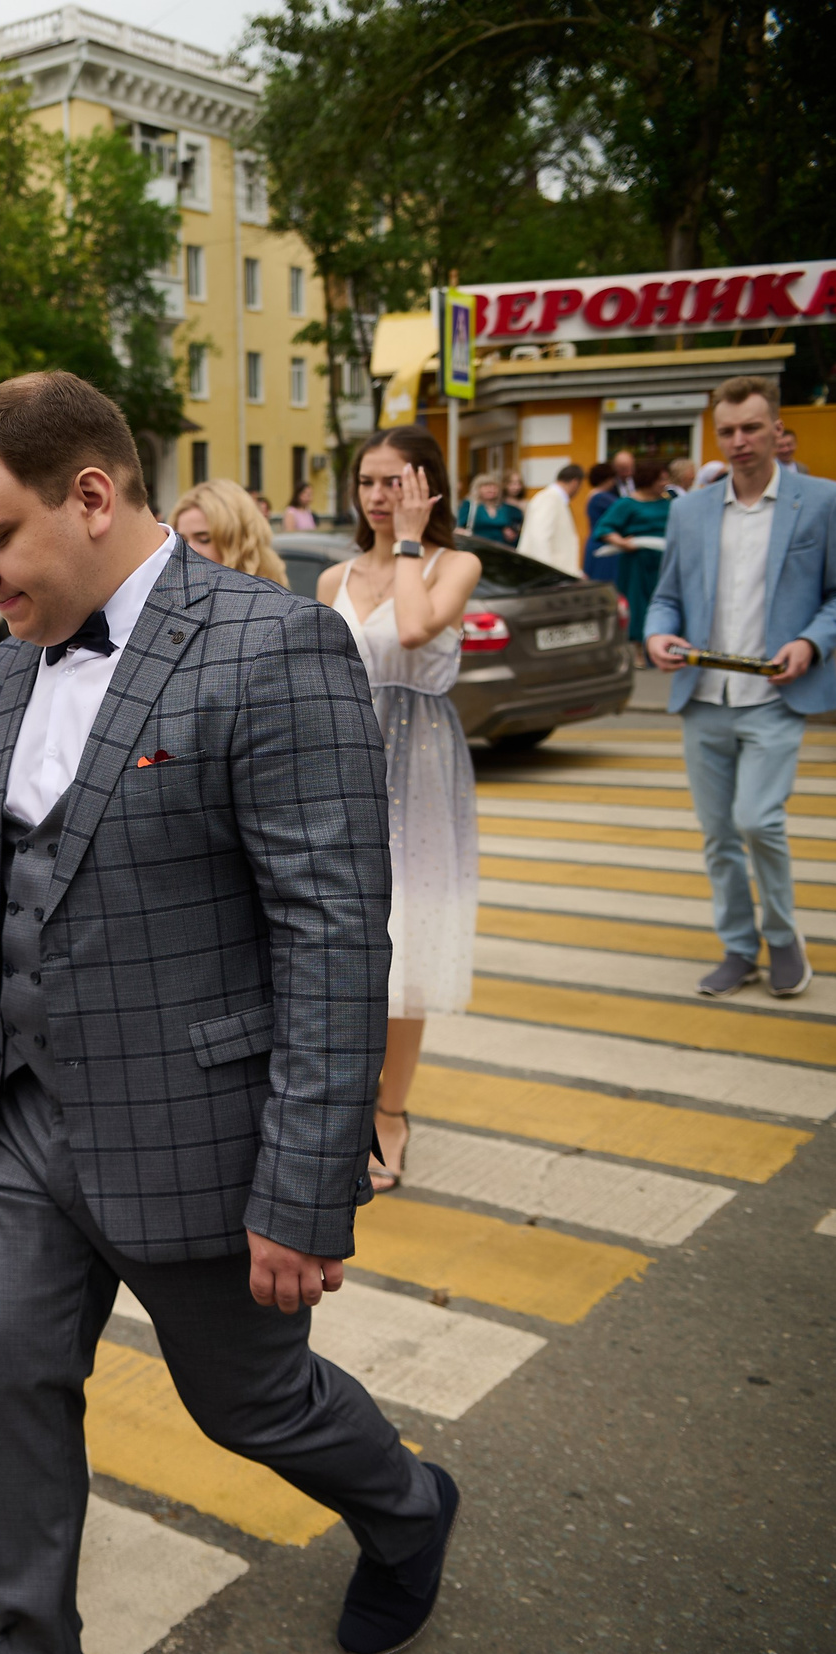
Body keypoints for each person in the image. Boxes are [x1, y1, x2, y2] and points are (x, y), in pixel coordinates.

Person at [0, 374, 456, 1654]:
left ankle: (407, 1503)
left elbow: (334, 934)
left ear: (92, 494)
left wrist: (306, 1188)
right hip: (22, 1111)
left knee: (251, 1402)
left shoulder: (273, 645)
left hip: (193, 1126)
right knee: (0, 1370)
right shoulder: (11, 664)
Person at [645, 374, 836, 999]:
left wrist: (811, 642)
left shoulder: (823, 502)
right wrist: (658, 635)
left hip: (775, 695)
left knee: (757, 819)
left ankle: (784, 939)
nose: (739, 441)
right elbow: (666, 598)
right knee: (719, 834)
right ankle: (739, 949)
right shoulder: (689, 509)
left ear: (777, 430)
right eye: (727, 431)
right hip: (704, 697)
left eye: (751, 428)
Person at [317, 428, 483, 1193]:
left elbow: (415, 628)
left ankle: (392, 1113)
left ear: (427, 487)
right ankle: (342, 1103)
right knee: (340, 938)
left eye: (395, 483)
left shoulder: (456, 563)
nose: (380, 498)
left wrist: (413, 544)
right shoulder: (333, 578)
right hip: (346, 756)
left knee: (406, 945)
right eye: (368, 483)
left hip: (419, 763)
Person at [597, 461, 675, 644]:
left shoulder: (669, 502)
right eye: (661, 480)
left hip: (664, 561)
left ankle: (662, 640)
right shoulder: (627, 504)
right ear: (649, 480)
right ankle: (639, 647)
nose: (665, 483)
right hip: (637, 563)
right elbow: (604, 528)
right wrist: (622, 543)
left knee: (665, 602)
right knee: (638, 604)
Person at [171, 477, 287, 585]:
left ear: (239, 539)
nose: (189, 551)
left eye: (204, 539)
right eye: (183, 541)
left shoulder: (270, 600)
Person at [519, 461, 586, 576]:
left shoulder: (555, 499)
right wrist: (548, 574)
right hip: (548, 576)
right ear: (575, 482)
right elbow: (540, 537)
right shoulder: (549, 498)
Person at [583, 462, 624, 582]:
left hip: (595, 543)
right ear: (608, 479)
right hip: (604, 545)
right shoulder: (602, 497)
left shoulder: (593, 495)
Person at [459, 474, 521, 546]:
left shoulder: (504, 508)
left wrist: (510, 533)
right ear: (477, 489)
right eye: (486, 486)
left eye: (494, 487)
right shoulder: (469, 505)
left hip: (501, 548)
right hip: (477, 546)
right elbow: (460, 527)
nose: (491, 489)